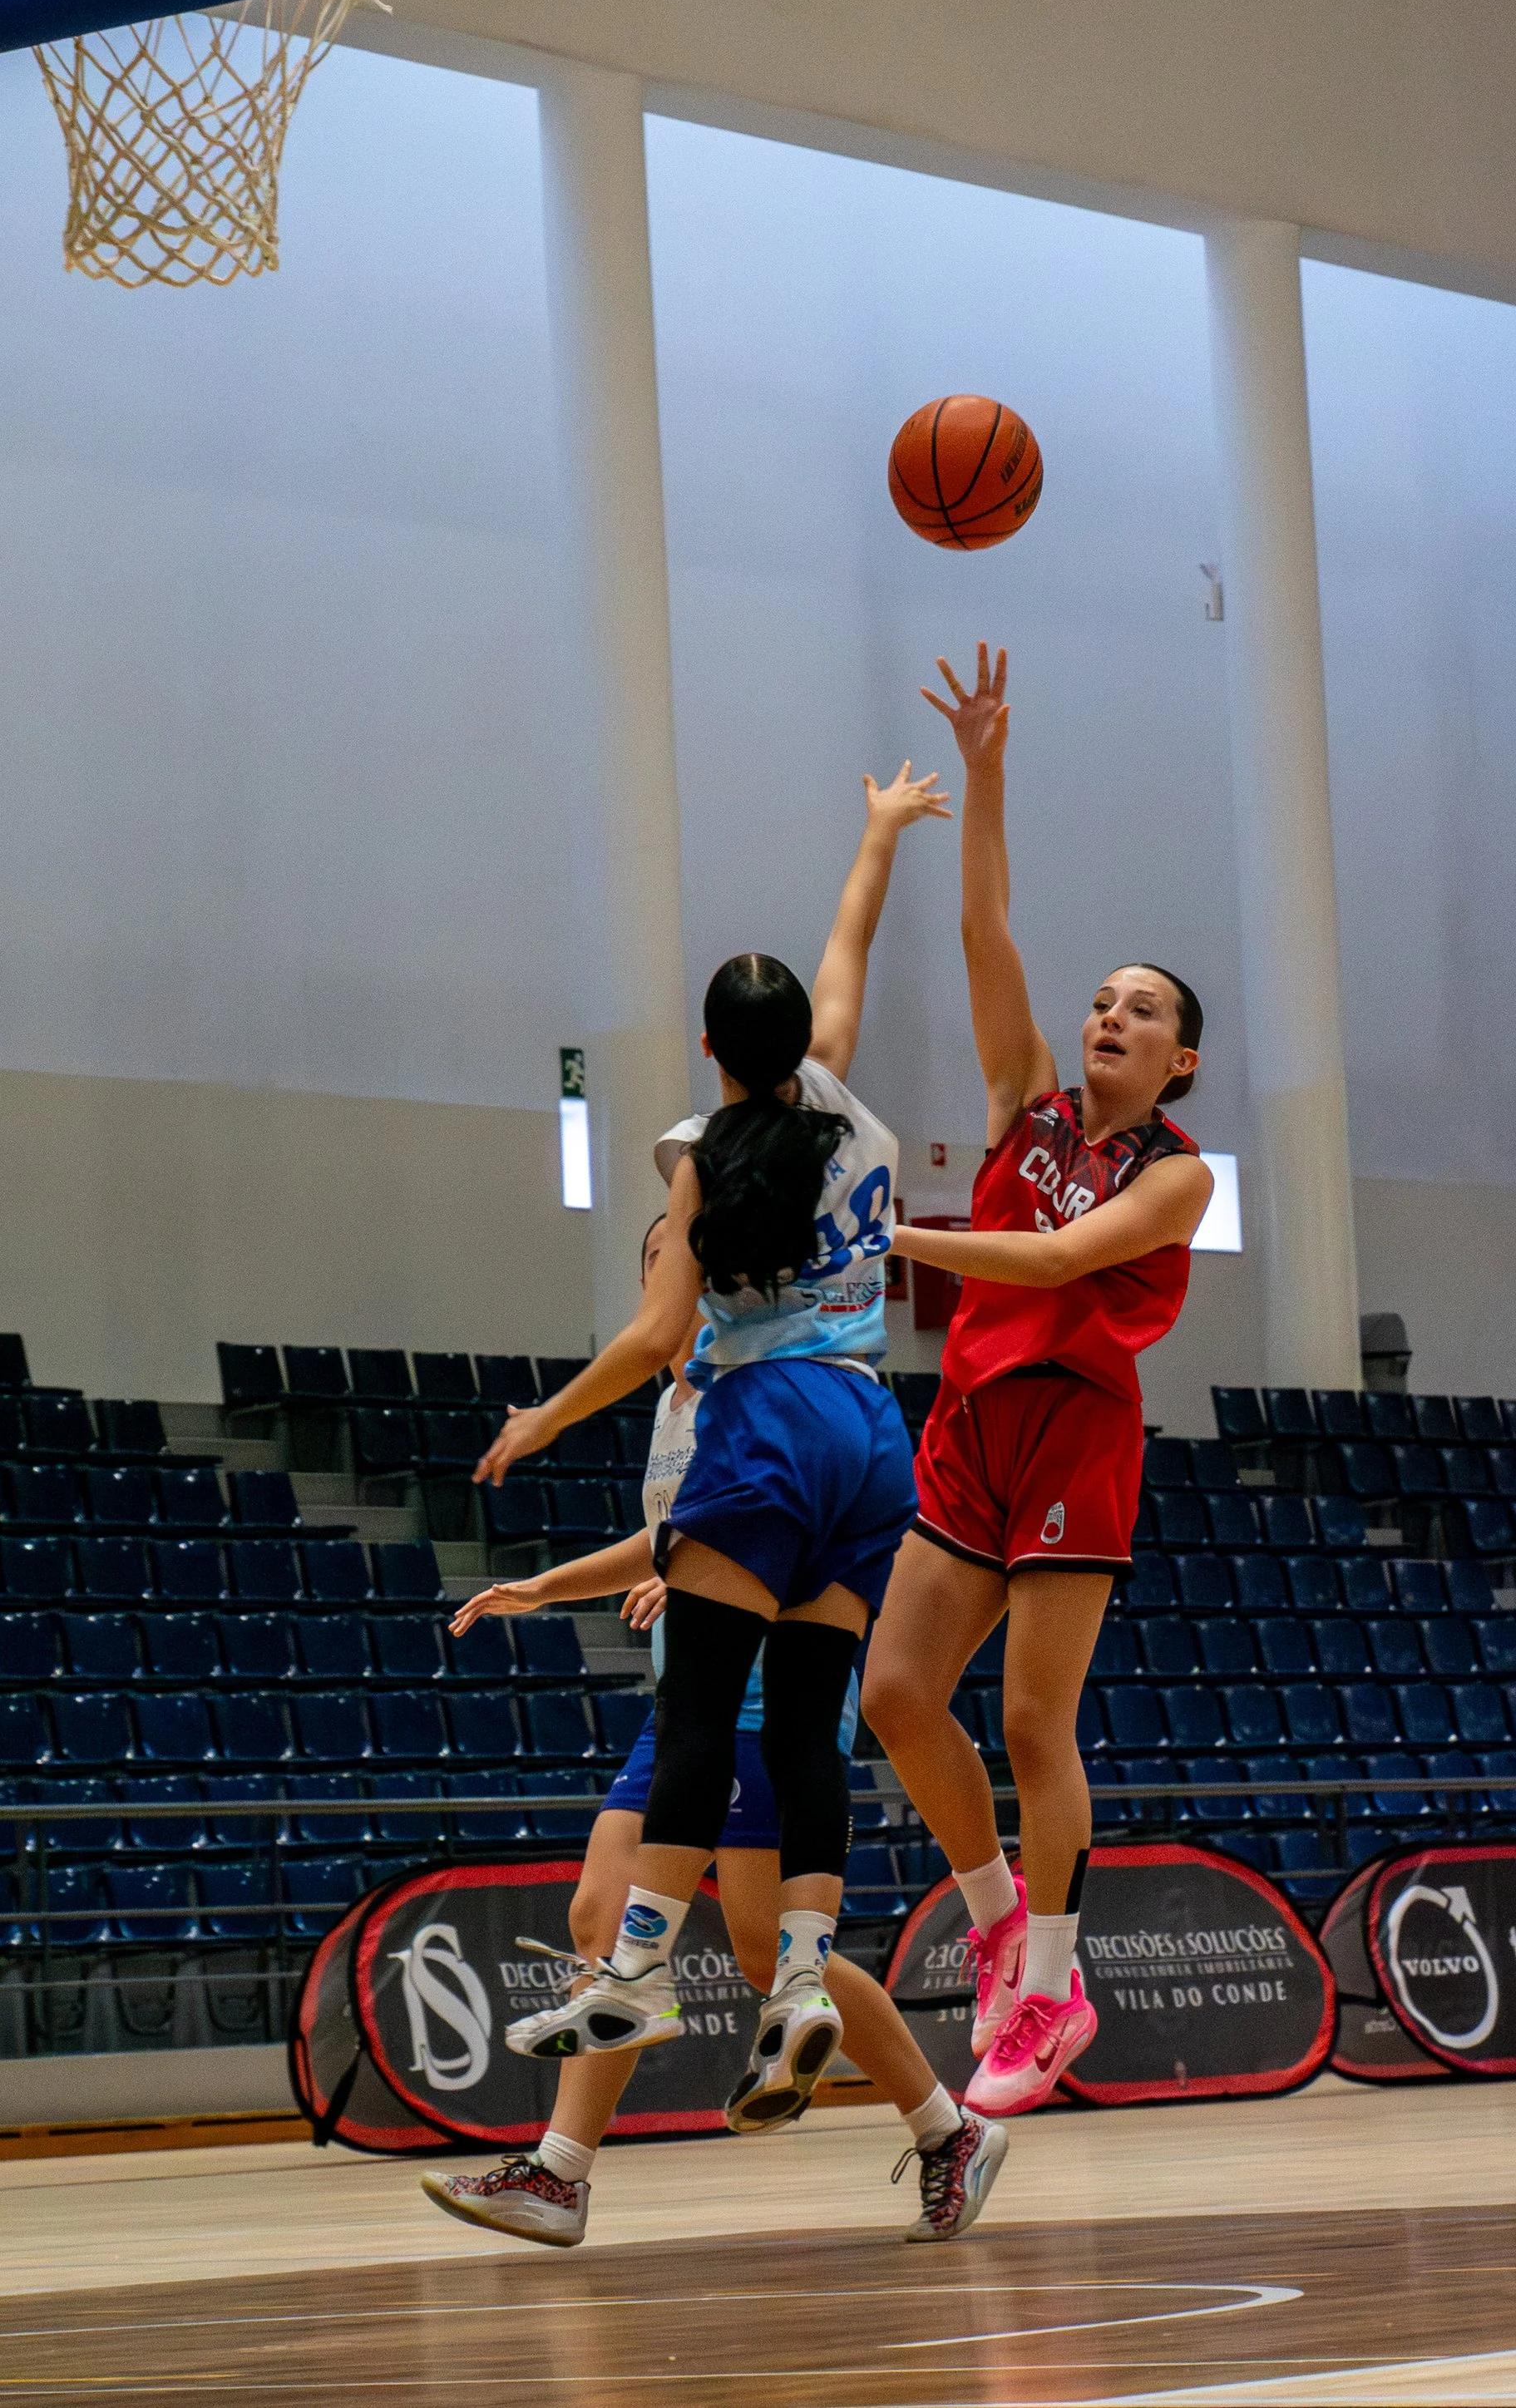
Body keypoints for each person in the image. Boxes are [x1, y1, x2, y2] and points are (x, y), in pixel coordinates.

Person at [464, 767, 947, 2137]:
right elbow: (848, 948)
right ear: (801, 1039)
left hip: (771, 1419)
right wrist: (878, 833)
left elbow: (653, 1336)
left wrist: (544, 1417)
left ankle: (631, 1975)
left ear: (706, 1046)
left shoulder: (706, 1152)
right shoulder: (843, 1104)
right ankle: (797, 1980)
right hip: (872, 1432)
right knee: (804, 1725)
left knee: (699, 1710)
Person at [422, 1220, 1005, 2248]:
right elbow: (670, 1536)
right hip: (687, 1704)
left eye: (682, 1251)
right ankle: (559, 2174)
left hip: (763, 1700)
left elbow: (787, 1532)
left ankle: (947, 2130)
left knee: (762, 1950)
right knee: (600, 1913)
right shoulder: (677, 1400)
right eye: (656, 1255)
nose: (670, 1265)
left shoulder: (770, 1384)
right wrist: (549, 1586)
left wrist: (718, 1572)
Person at [862, 644, 1212, 2119]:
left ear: (1180, 1060)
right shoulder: (1026, 1103)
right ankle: (1001, 1916)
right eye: (1102, 999)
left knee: (1028, 1724)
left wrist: (900, 1233)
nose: (1110, 1015)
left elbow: (1062, 1262)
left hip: (1074, 1430)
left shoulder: (1178, 1174)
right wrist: (986, 768)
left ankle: (1056, 1987)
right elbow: (982, 927)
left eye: (1144, 1010)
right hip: (970, 1418)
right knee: (894, 1691)